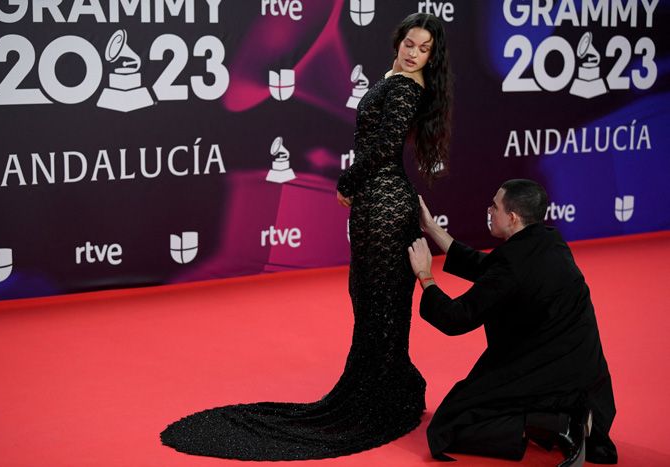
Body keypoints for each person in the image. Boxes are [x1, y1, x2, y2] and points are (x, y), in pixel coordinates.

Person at [160, 12, 452, 460]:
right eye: (409, 43)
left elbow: (382, 150)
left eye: (423, 49)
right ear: (399, 41)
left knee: (382, 300)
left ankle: (387, 395)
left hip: (385, 201)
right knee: (371, 296)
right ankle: (388, 387)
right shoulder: (393, 77)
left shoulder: (406, 90)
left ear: (433, 57)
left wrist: (347, 181)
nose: (413, 53)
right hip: (378, 202)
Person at [408, 180, 617, 466]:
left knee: (450, 423)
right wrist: (430, 227)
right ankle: (570, 416)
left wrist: (424, 275)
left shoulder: (512, 265)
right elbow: (488, 269)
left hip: (542, 370)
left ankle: (560, 424)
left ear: (513, 217)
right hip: (585, 373)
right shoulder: (548, 240)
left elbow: (456, 318)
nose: (489, 210)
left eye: (495, 206)